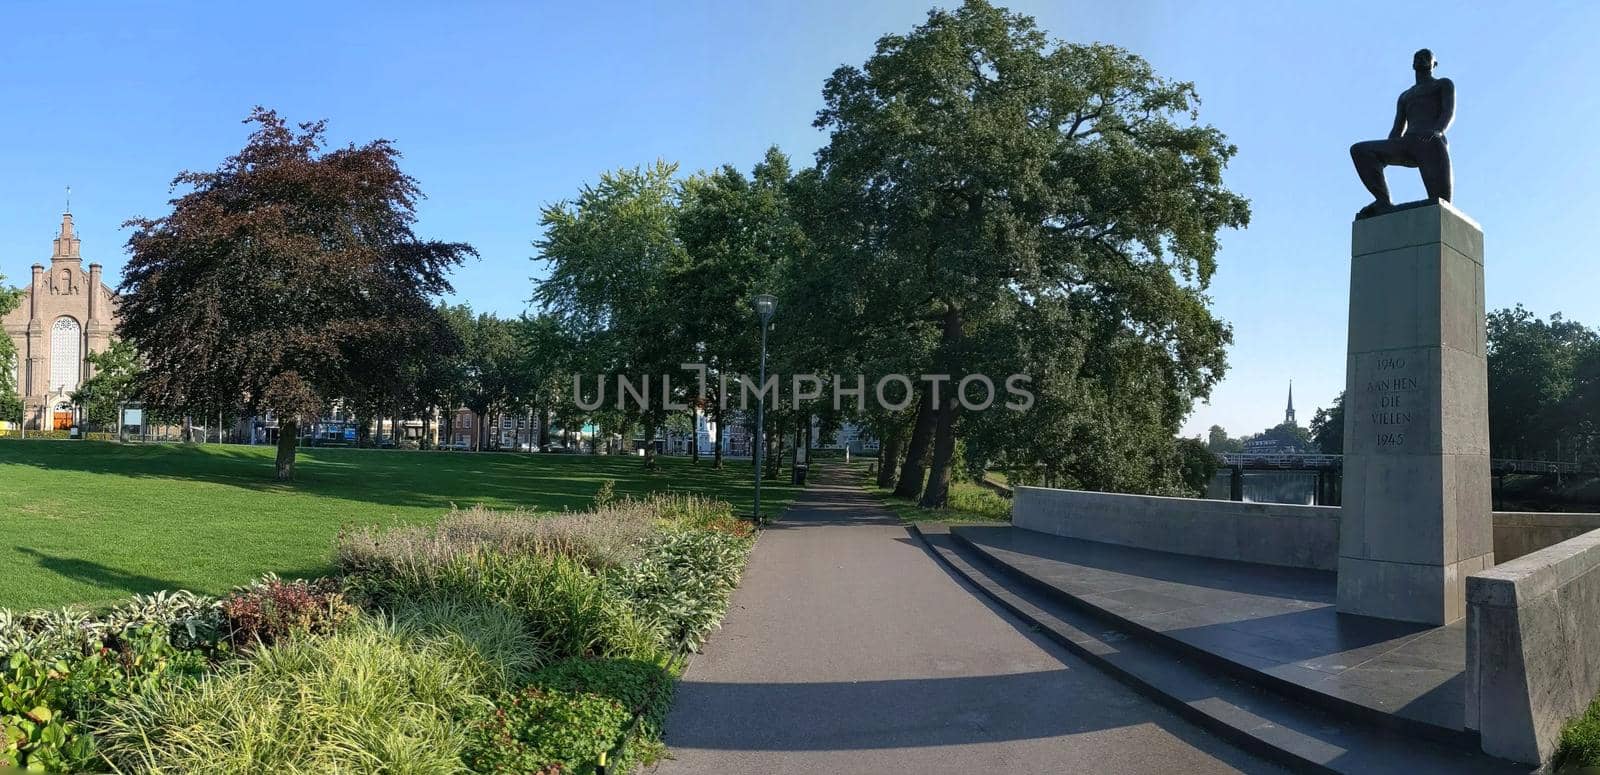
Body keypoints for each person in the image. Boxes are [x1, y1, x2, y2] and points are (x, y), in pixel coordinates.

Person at [1350, 48, 1455, 218]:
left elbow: (1448, 112)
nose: (1421, 59)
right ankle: (1382, 201)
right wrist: (1385, 152)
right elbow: (1397, 128)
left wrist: (1437, 131)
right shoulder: (1406, 96)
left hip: (1431, 141)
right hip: (1407, 142)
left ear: (1434, 63)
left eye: (1426, 57)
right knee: (1360, 150)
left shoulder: (1442, 84)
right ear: (1412, 64)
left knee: (1441, 205)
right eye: (1417, 57)